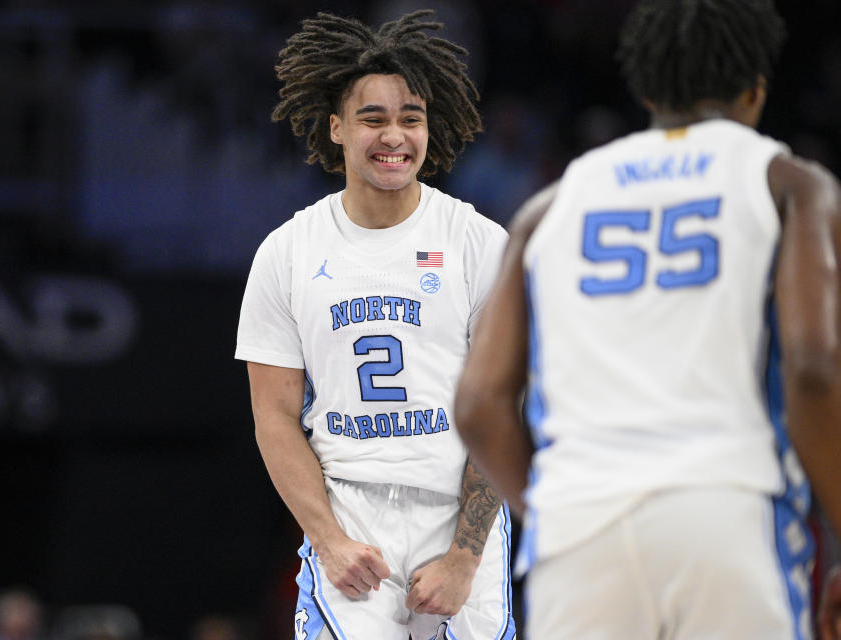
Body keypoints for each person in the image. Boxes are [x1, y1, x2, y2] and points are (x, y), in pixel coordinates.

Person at [454, 1, 841, 639]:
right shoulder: (790, 184)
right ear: (756, 90)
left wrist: (561, 510)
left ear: (644, 89)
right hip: (727, 509)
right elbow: (814, 370)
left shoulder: (549, 207)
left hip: (578, 532)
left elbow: (476, 405)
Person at [235, 10, 516, 640]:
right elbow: (274, 417)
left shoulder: (478, 244)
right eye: (373, 118)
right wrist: (330, 542)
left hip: (459, 508)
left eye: (410, 118)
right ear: (336, 127)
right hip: (351, 510)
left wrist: (465, 555)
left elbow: (503, 407)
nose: (395, 136)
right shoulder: (286, 253)